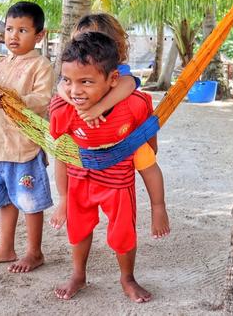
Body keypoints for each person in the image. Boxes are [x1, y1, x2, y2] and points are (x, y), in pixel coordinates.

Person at [49, 32, 159, 302]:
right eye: (68, 81)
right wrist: (63, 198)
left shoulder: (132, 105)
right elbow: (61, 152)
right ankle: (78, 274)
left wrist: (159, 207)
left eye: (86, 82)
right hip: (80, 175)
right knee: (79, 229)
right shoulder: (64, 108)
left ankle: (127, 277)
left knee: (123, 233)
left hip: (117, 179)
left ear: (112, 80)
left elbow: (149, 136)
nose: (75, 91)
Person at [53, 13, 170, 239]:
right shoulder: (74, 75)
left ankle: (158, 206)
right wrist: (78, 106)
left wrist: (97, 108)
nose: (87, 48)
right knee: (62, 152)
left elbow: (127, 85)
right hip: (84, 138)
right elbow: (60, 86)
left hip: (122, 136)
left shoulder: (119, 72)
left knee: (147, 159)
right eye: (81, 41)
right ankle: (64, 200)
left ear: (113, 45)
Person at [0, 1, 53, 273]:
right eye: (9, 29)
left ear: (39, 35)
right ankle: (6, 248)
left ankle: (34, 252)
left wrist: (15, 100)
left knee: (30, 201)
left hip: (24, 146)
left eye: (23, 30)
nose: (13, 36)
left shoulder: (40, 65)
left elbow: (43, 100)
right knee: (5, 200)